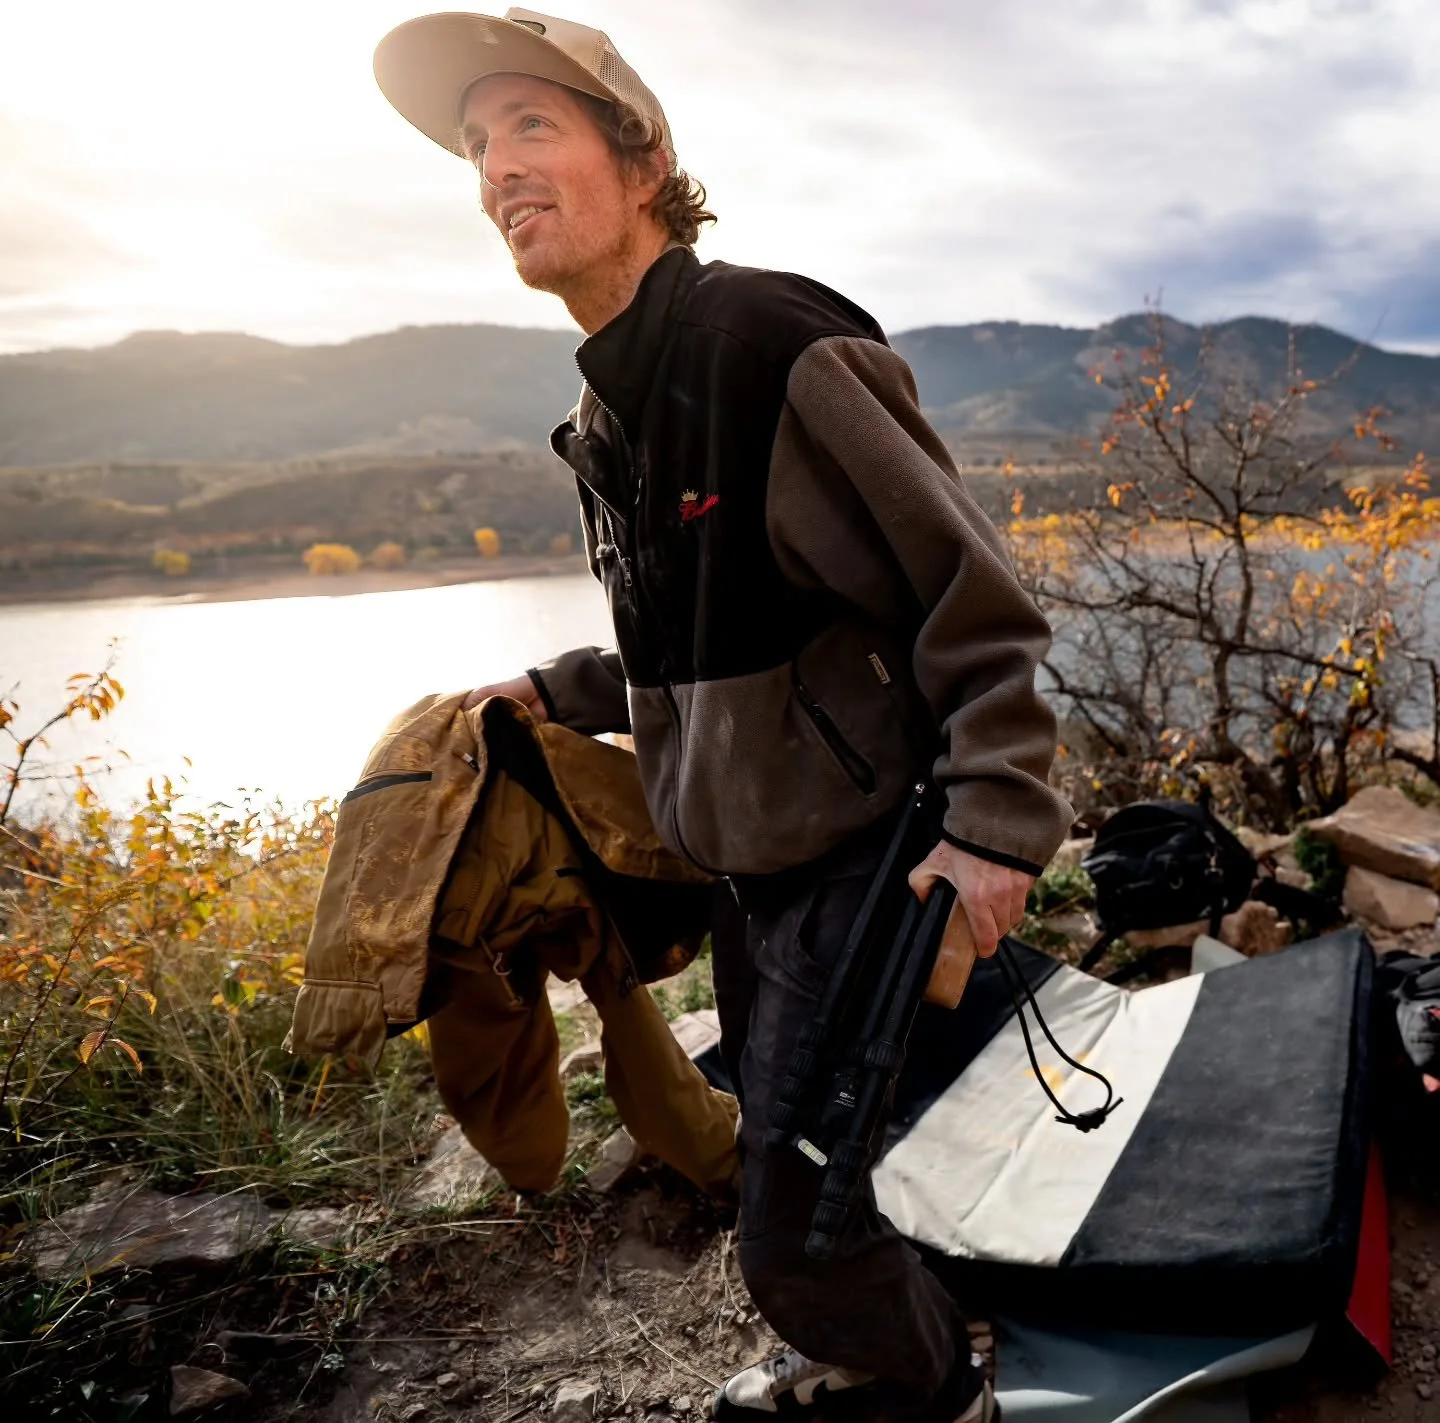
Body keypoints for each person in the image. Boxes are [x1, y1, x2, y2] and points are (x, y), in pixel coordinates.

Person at [373, 11, 1073, 1421]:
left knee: (792, 1224)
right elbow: (696, 637)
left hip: (872, 859)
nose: (496, 166)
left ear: (645, 164)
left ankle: (936, 1391)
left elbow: (971, 589)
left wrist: (998, 822)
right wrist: (561, 690)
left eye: (532, 125)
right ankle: (904, 1339)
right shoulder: (610, 409)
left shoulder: (770, 340)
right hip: (753, 879)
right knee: (810, 1147)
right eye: (477, 143)